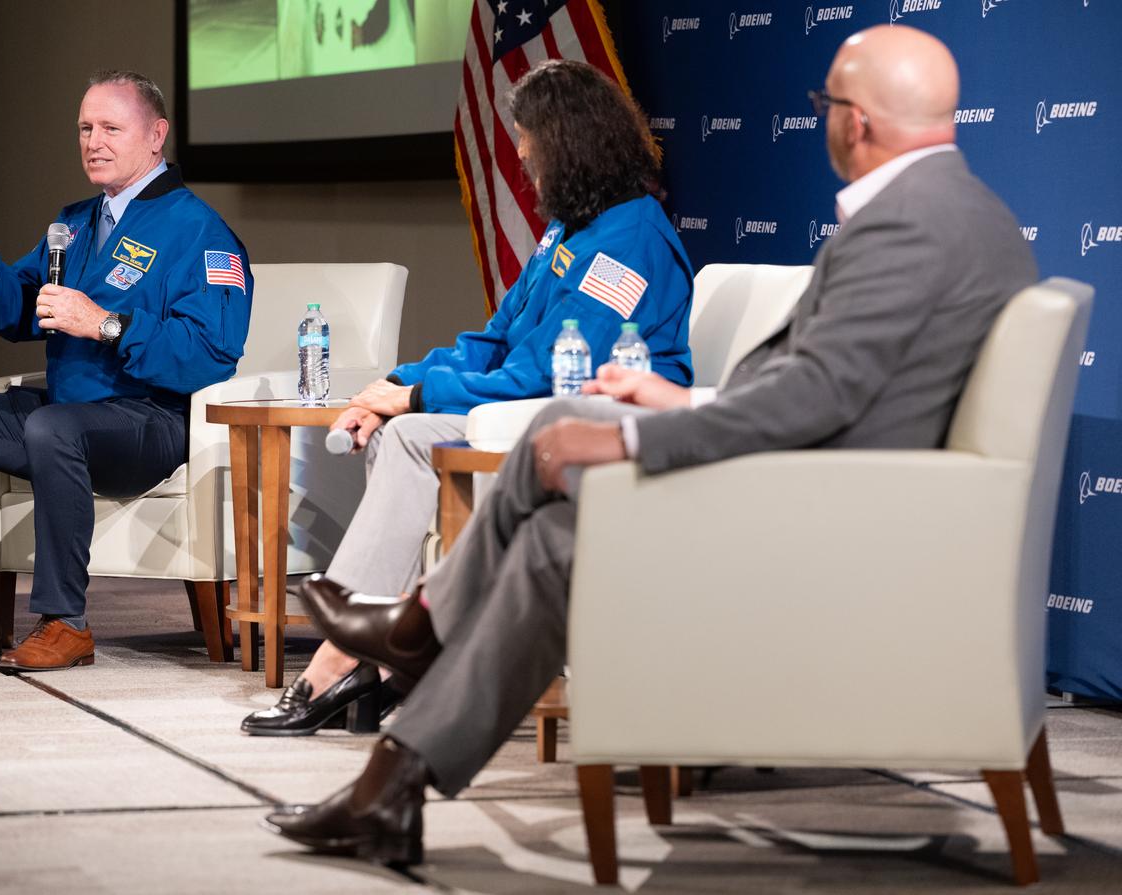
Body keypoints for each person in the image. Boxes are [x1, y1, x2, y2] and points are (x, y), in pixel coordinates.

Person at [263, 24, 1039, 864]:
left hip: (815, 517)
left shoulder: (907, 228)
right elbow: (826, 391)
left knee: (568, 457)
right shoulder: (962, 215)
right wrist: (677, 398)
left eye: (822, 107)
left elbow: (815, 401)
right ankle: (395, 769)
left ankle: (419, 635)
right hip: (820, 488)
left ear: (853, 120)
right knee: (558, 514)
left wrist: (647, 437)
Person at [240, 58, 695, 737]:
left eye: (530, 143)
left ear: (570, 141)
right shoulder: (569, 230)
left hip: (598, 421)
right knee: (399, 430)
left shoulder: (627, 244)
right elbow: (496, 337)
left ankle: (346, 655)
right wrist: (399, 383)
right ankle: (369, 655)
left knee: (410, 432)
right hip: (529, 409)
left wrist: (422, 395)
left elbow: (549, 372)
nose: (522, 158)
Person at [0, 71, 253, 671]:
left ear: (156, 135)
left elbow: (210, 352)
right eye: (84, 128)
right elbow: (23, 309)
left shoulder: (199, 230)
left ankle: (65, 622)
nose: (93, 141)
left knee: (55, 429)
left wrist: (106, 324)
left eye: (110, 128)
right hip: (67, 414)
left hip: (148, 422)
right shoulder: (73, 223)